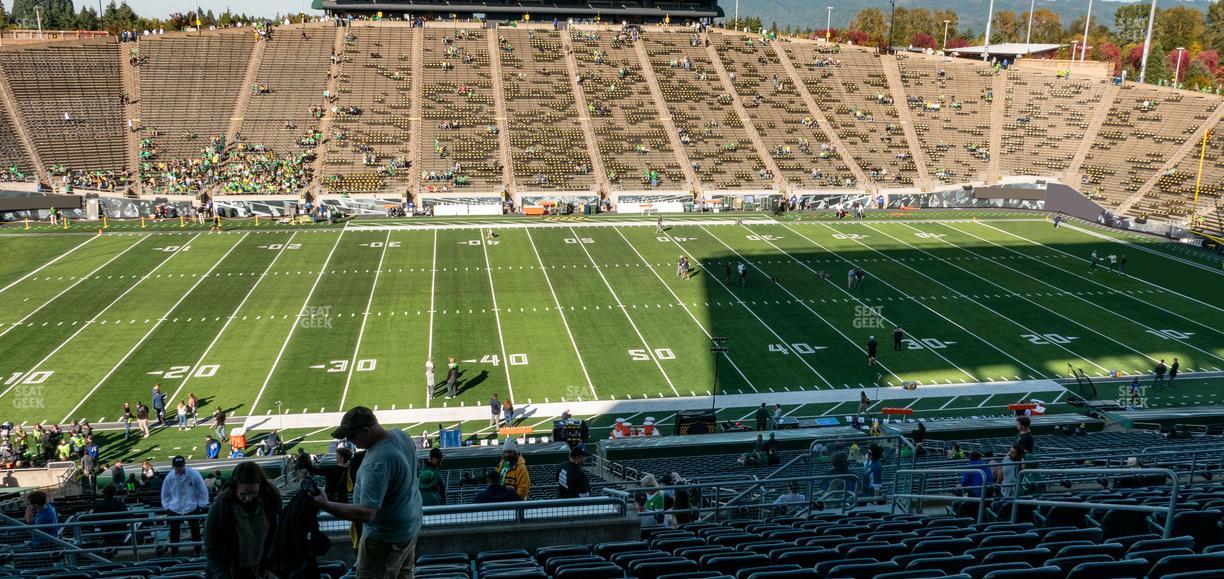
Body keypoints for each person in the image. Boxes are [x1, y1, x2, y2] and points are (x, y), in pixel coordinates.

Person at [314, 406, 421, 579]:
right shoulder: (402, 435)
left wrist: (326, 504)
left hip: (385, 540)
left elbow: (366, 513)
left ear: (365, 431)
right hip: (408, 529)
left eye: (351, 436)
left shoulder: (377, 462)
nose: (349, 441)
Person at [204, 462, 282, 579]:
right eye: (243, 494)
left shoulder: (271, 502)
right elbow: (211, 547)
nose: (249, 498)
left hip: (260, 572)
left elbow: (277, 538)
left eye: (253, 493)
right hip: (230, 573)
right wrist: (222, 575)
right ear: (234, 487)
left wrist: (271, 567)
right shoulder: (221, 506)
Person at [161, 455, 209, 555]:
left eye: (181, 466)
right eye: (177, 466)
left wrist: (201, 505)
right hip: (175, 507)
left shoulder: (193, 474)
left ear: (184, 465)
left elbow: (202, 490)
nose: (179, 468)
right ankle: (174, 552)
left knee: (195, 531)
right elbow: (164, 493)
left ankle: (197, 551)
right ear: (173, 466)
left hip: (191, 506)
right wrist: (167, 507)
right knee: (174, 532)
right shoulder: (169, 477)